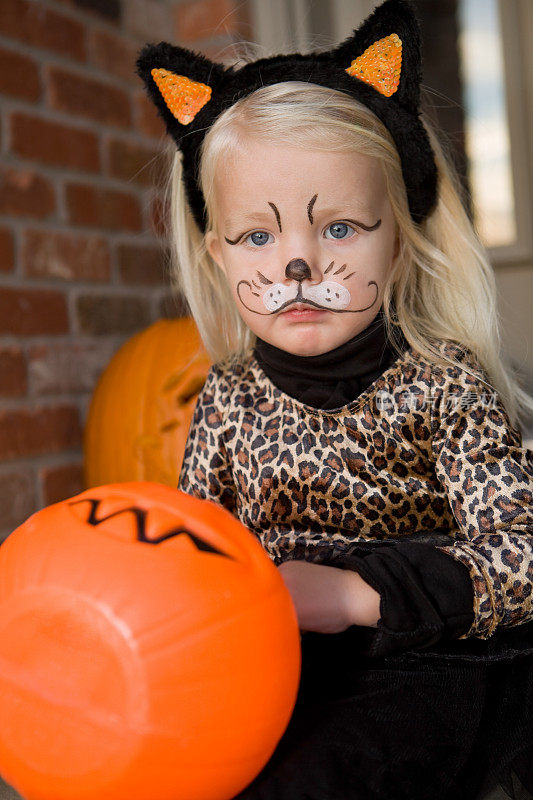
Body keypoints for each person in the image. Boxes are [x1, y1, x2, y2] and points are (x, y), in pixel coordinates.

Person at [137, 1, 533, 798]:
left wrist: (352, 595)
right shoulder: (230, 396)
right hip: (266, 660)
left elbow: (522, 559)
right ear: (215, 253)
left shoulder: (439, 381)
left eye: (341, 228)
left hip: (419, 659)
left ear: (400, 234)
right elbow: (195, 545)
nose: (297, 265)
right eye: (258, 237)